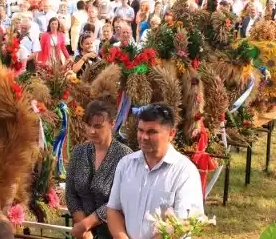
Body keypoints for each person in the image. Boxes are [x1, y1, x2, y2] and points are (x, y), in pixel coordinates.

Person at [107, 104, 204, 239]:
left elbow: (182, 225)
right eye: (141, 130)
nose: (144, 137)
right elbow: (113, 210)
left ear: (171, 134)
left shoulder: (185, 172)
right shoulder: (125, 164)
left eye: (152, 132)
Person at [66, 101, 132, 239]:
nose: (91, 131)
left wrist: (87, 224)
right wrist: (83, 227)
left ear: (112, 124)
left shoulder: (125, 157)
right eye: (88, 125)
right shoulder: (79, 152)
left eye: (98, 126)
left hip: (113, 232)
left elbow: (120, 199)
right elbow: (71, 193)